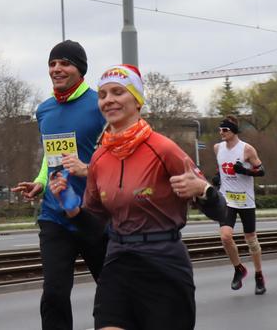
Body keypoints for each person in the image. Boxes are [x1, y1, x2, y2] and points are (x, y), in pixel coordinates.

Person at [50, 64, 226, 330]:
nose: (109, 100)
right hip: (118, 262)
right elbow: (95, 226)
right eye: (103, 94)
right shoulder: (99, 157)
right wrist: (73, 209)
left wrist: (204, 191)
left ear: (137, 100)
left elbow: (222, 212)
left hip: (163, 264)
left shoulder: (163, 148)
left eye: (118, 92)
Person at [12, 40, 107, 330]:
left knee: (113, 290)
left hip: (94, 214)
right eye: (52, 64)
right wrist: (40, 183)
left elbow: (117, 155)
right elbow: (50, 157)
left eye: (64, 63)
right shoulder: (44, 110)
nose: (56, 69)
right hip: (55, 215)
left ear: (80, 69)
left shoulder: (100, 105)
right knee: (53, 294)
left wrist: (88, 171)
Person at [213, 114, 267, 295]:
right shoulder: (217, 148)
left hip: (245, 200)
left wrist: (244, 170)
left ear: (233, 131)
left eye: (225, 130)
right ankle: (239, 269)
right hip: (226, 199)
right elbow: (222, 168)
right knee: (225, 236)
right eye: (220, 130)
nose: (221, 132)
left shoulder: (247, 149)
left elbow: (261, 171)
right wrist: (218, 177)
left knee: (250, 238)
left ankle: (259, 275)